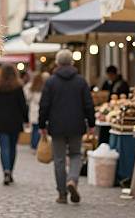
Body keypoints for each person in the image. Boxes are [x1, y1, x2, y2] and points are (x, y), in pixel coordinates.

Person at [39, 49, 95, 204]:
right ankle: (72, 180)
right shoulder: (81, 81)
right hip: (76, 125)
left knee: (59, 159)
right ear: (72, 62)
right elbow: (89, 105)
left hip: (56, 126)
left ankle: (62, 194)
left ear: (57, 63)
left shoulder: (51, 82)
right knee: (76, 154)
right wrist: (91, 124)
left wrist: (42, 124)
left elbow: (44, 105)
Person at [0, 64, 29, 186]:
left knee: (4, 147)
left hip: (0, 121)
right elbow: (23, 105)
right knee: (12, 147)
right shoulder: (18, 87)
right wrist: (26, 119)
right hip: (15, 121)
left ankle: (6, 170)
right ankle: (10, 171)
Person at [24, 72, 47, 150]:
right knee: (40, 128)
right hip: (41, 110)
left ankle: (34, 145)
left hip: (33, 110)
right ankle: (37, 144)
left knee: (34, 128)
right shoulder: (44, 87)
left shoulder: (31, 87)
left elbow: (27, 98)